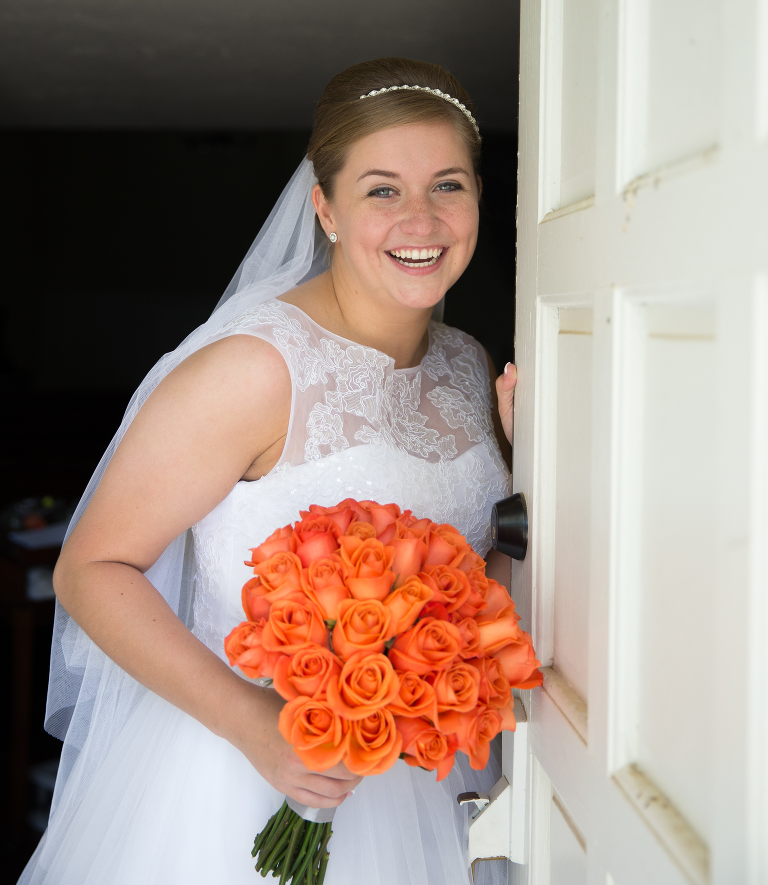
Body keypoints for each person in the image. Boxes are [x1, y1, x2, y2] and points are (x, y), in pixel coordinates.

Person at [20, 57, 520, 885]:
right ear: (324, 207)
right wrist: (257, 725)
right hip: (237, 775)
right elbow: (90, 568)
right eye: (382, 189)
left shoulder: (469, 368)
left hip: (427, 783)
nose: (421, 218)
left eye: (450, 185)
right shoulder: (253, 369)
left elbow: (480, 582)